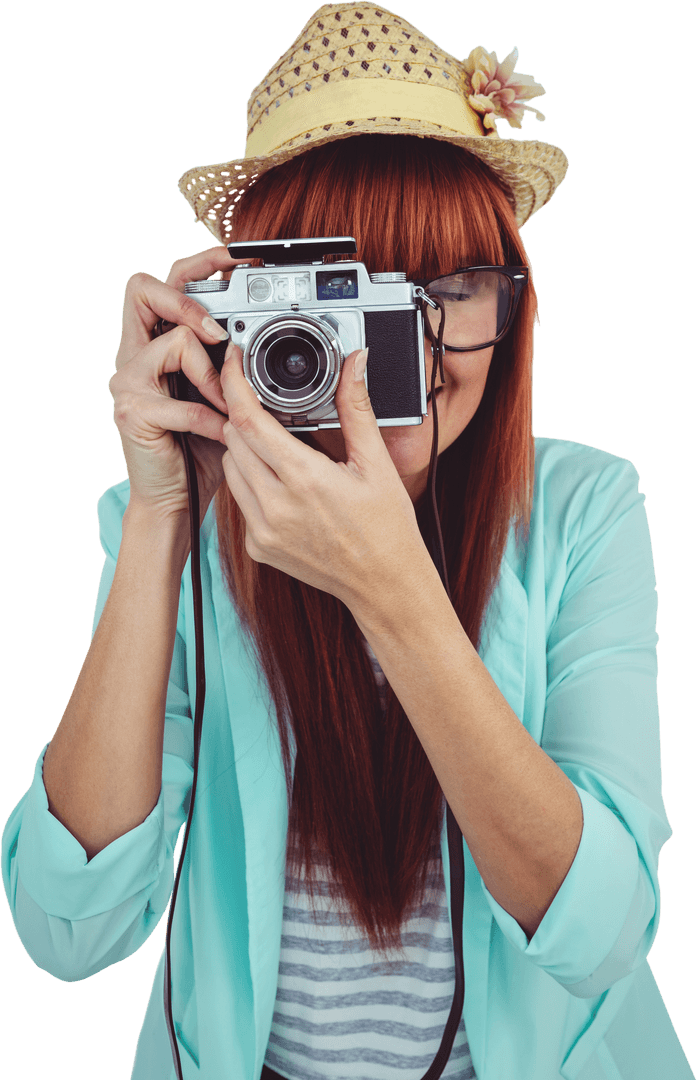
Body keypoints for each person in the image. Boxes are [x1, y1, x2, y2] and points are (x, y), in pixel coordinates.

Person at [1, 4, 693, 1080]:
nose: (400, 354)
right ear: (237, 307)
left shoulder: (584, 507)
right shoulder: (177, 522)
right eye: (344, 297)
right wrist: (156, 516)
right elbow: (68, 930)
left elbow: (602, 936)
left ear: (517, 307)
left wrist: (392, 591)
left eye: (451, 288)